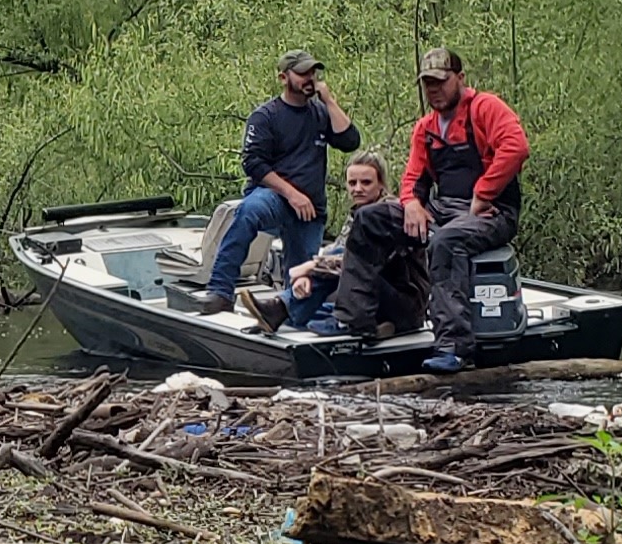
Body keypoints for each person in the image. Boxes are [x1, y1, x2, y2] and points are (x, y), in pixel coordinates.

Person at [334, 49, 528, 371]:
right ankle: (355, 319)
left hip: (493, 213)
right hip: (444, 208)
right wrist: (410, 203)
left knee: (446, 242)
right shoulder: (426, 127)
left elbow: (516, 147)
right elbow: (413, 175)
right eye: (428, 84)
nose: (434, 90)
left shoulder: (486, 108)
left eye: (440, 82)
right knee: (369, 218)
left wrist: (484, 193)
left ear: (460, 79)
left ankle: (454, 347)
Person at [199, 49, 358, 312]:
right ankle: (220, 292)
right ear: (284, 77)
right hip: (274, 197)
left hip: (310, 208)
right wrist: (291, 194)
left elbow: (350, 141)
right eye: (303, 73)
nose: (310, 78)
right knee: (248, 212)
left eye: (313, 72)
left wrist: (330, 102)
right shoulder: (266, 116)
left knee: (302, 281)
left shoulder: (320, 113)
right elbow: (253, 163)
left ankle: (285, 316)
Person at [262, 153, 388, 332]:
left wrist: (310, 267)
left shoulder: (385, 214)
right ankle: (283, 309)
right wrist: (308, 275)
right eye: (352, 183)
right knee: (296, 317)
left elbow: (358, 260)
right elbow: (338, 249)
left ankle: (282, 307)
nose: (358, 189)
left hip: (391, 297)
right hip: (364, 296)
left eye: (366, 183)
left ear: (381, 184)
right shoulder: (359, 212)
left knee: (298, 311)